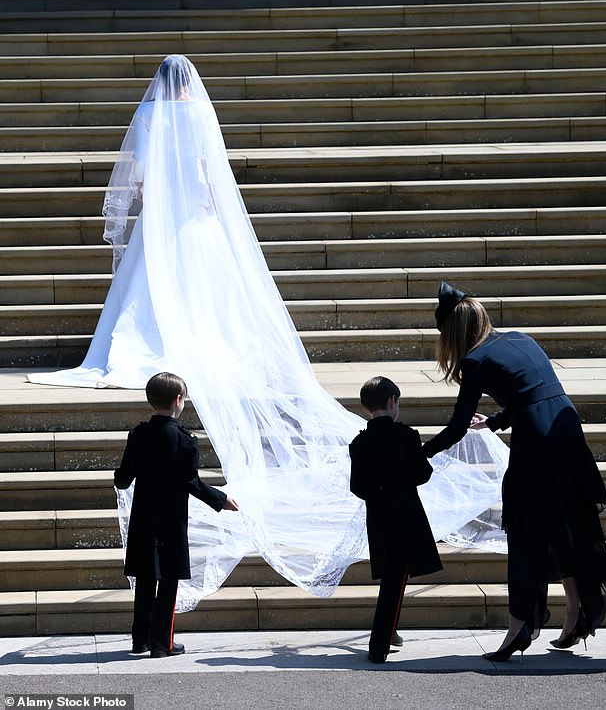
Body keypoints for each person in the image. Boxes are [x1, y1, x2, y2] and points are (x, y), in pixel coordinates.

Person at [26, 54, 510, 608]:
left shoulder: (154, 115)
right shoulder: (196, 116)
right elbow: (211, 173)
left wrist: (146, 207)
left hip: (162, 219)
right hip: (198, 219)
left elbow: (135, 176)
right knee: (211, 297)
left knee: (150, 285)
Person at [421, 280, 606, 662]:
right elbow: (534, 391)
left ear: (453, 333)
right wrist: (495, 422)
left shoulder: (474, 362)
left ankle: (519, 626)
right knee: (564, 524)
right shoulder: (522, 339)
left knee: (527, 532)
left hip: (537, 441)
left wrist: (421, 453)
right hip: (567, 429)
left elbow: (457, 425)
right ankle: (577, 609)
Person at [114, 372, 239, 658]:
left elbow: (124, 478)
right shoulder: (184, 439)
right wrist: (221, 499)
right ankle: (162, 643)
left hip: (144, 517)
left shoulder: (139, 434)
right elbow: (190, 482)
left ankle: (141, 639)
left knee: (146, 578)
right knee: (168, 580)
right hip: (171, 519)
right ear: (178, 400)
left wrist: (118, 479)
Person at [349, 376, 442, 664]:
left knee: (395, 573)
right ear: (392, 402)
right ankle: (379, 645)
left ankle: (390, 634)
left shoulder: (359, 442)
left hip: (377, 515)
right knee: (396, 576)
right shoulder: (406, 436)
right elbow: (423, 474)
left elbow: (356, 486)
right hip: (405, 514)